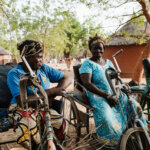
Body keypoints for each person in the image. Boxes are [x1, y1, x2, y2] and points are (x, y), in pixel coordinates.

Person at [79, 34, 147, 147]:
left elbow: (115, 80)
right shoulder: (87, 63)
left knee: (135, 107)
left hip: (114, 93)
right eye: (95, 48)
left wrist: (120, 84)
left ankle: (140, 135)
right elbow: (87, 83)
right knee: (107, 119)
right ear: (90, 49)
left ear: (104, 49)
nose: (98, 51)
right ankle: (114, 143)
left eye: (100, 48)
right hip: (98, 96)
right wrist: (106, 95)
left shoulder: (109, 62)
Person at [7, 40, 72, 150]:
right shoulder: (15, 74)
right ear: (26, 58)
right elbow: (22, 102)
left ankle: (53, 145)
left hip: (42, 107)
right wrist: (51, 92)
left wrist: (55, 91)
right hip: (22, 109)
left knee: (61, 123)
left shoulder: (43, 68)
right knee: (27, 128)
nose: (41, 60)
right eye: (38, 57)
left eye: (41, 57)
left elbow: (68, 77)